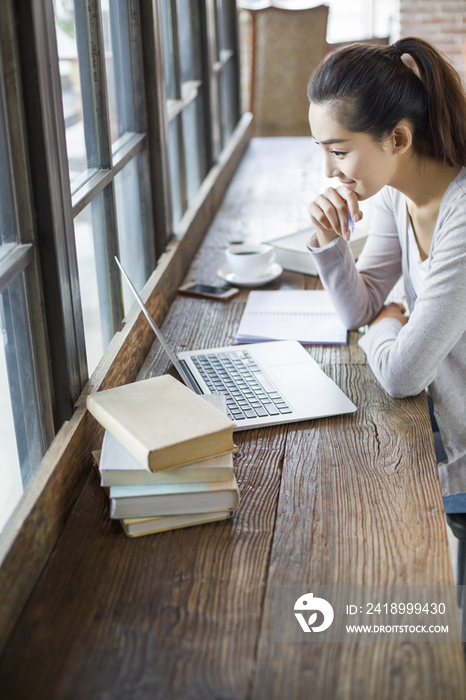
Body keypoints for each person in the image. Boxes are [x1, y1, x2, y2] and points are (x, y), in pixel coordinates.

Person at [306, 37, 466, 516]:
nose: (329, 171)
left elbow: (401, 374)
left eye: (338, 151)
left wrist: (383, 325)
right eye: (322, 150)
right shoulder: (398, 192)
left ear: (397, 138)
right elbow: (362, 306)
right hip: (444, 429)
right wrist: (325, 237)